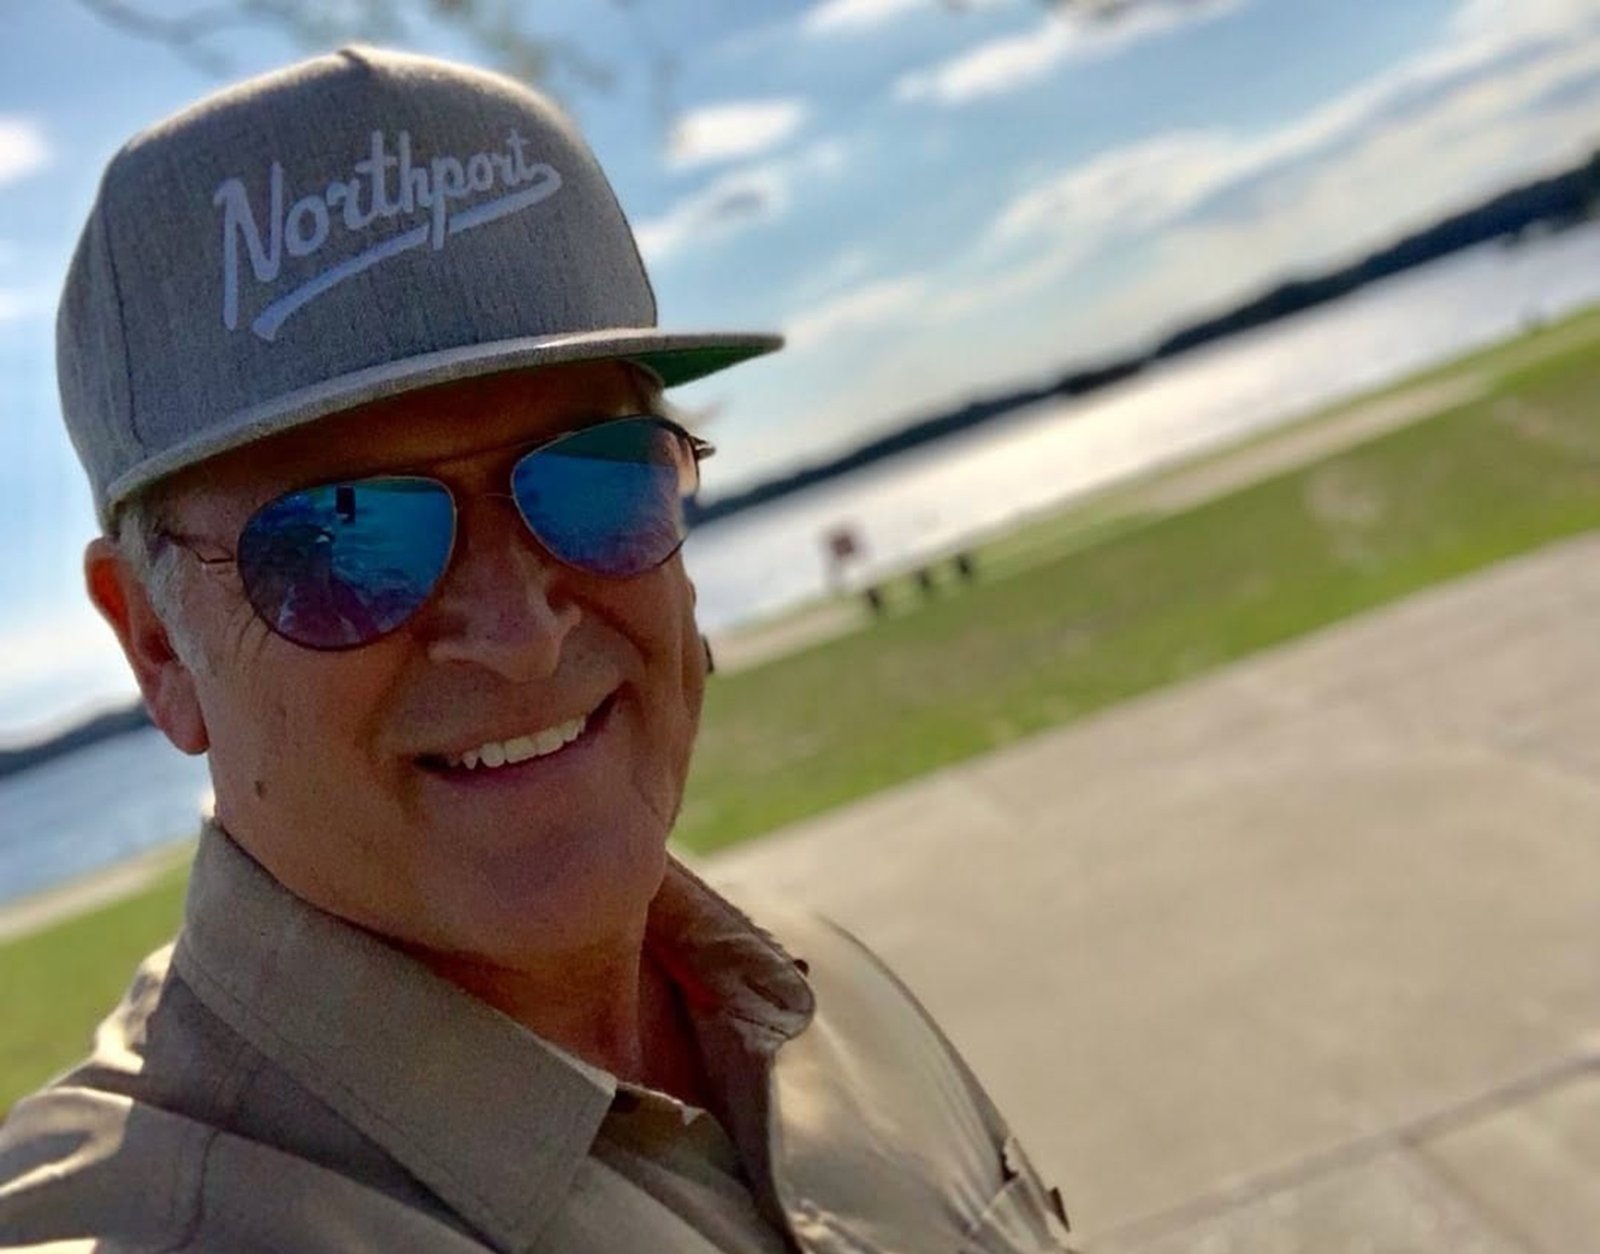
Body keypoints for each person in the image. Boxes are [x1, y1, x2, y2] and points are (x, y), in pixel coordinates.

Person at [0, 47, 1073, 1252]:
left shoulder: (812, 991)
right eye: (346, 537)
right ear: (155, 645)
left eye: (597, 478)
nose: (518, 633)